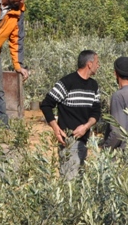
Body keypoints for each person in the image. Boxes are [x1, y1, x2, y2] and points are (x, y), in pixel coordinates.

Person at [40, 50, 101, 178]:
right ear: (89, 64)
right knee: (69, 183)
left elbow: (96, 112)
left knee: (79, 184)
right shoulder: (67, 82)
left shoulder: (94, 85)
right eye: (97, 62)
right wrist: (56, 129)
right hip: (68, 142)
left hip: (84, 142)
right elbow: (46, 105)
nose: (98, 65)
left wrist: (85, 127)